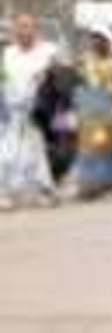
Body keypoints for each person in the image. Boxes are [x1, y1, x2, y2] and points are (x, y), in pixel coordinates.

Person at [0, 15, 59, 209]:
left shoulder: (47, 51)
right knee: (7, 153)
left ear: (35, 29)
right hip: (10, 112)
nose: (23, 31)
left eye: (27, 27)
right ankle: (6, 193)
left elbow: (59, 69)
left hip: (36, 111)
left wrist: (47, 72)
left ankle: (44, 191)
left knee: (35, 152)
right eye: (19, 27)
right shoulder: (8, 53)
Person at [72, 26, 112, 200]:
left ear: (108, 42)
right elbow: (80, 83)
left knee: (111, 146)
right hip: (90, 108)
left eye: (100, 38)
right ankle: (90, 184)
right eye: (94, 38)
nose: (96, 42)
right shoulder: (85, 60)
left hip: (110, 106)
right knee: (90, 147)